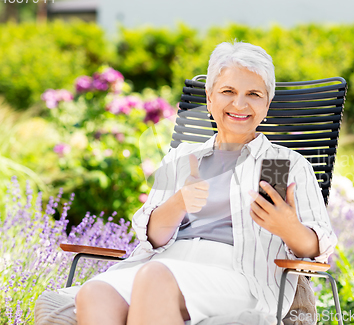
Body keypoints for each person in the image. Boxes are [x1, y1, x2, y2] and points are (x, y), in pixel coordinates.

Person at [74, 42, 337, 325]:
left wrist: (288, 227)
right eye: (228, 92)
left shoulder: (286, 164)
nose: (239, 104)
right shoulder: (182, 156)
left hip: (242, 275)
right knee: (96, 291)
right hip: (168, 261)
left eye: (253, 94)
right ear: (209, 99)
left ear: (267, 104)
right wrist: (180, 201)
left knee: (156, 278)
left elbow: (318, 248)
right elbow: (152, 238)